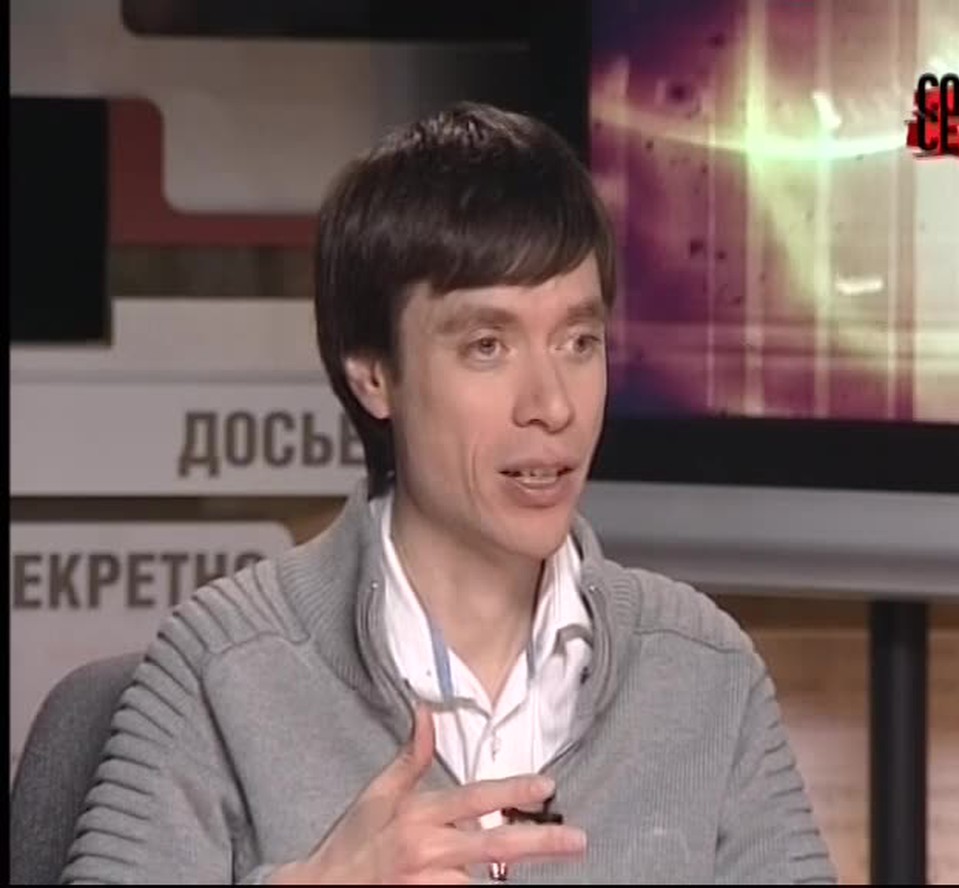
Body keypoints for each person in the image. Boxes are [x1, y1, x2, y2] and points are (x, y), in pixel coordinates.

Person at [61, 102, 836, 885]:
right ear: (374, 374)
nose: (552, 405)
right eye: (488, 346)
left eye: (579, 342)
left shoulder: (703, 670)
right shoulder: (225, 664)